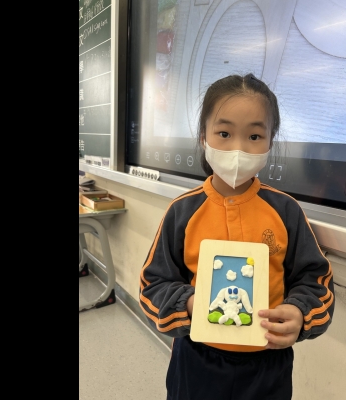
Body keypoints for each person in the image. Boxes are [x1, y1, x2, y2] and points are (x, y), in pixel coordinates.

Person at [139, 73, 335, 400]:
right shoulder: (181, 212)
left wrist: (300, 313)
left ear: (270, 141)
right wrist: (188, 304)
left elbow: (316, 280)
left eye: (255, 136)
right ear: (203, 136)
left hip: (267, 365)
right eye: (224, 133)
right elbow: (152, 285)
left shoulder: (286, 211)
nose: (238, 149)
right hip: (196, 360)